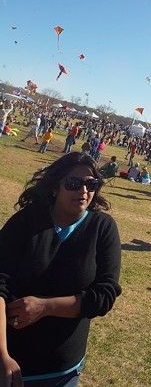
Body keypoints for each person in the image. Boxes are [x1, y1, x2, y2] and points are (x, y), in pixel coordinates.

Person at [0, 153, 121, 385]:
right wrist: (2, 355)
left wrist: (44, 307)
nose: (83, 190)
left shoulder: (103, 228)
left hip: (62, 371)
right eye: (74, 183)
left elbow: (104, 296)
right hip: (10, 362)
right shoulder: (25, 222)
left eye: (91, 184)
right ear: (55, 187)